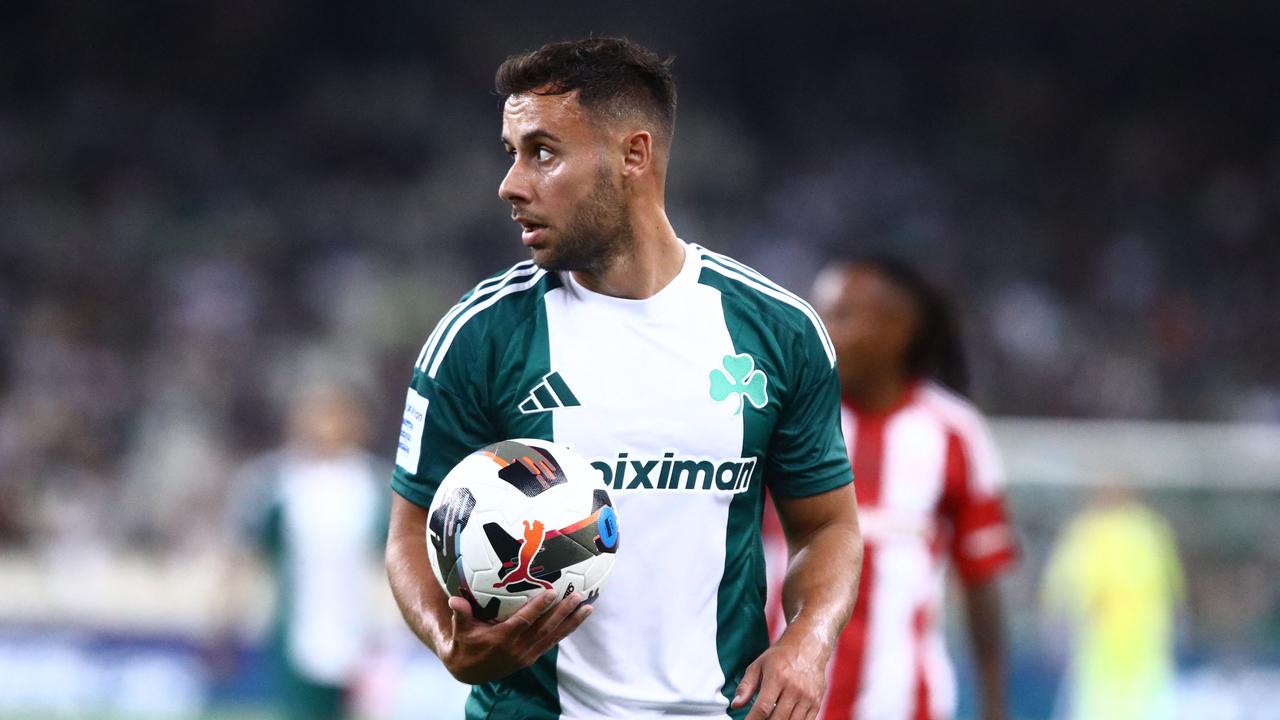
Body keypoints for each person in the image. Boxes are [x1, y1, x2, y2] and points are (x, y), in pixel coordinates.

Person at [384, 37, 863, 720]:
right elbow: (409, 526)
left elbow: (828, 526)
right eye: (511, 152)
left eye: (542, 152)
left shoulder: (777, 331)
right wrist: (448, 640)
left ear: (633, 155)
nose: (511, 184)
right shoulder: (479, 336)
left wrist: (809, 641)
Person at [763, 258, 1017, 720]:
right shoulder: (782, 421)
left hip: (905, 705)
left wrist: (996, 706)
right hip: (779, 703)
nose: (824, 331)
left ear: (897, 330)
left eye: (841, 315)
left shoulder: (955, 434)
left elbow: (982, 583)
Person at [224, 384, 395, 720]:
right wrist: (227, 619)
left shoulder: (376, 484)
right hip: (295, 634)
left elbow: (395, 557)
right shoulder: (277, 481)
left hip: (363, 632)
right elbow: (246, 552)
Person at [1041, 484, 1184, 720]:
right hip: (1100, 647)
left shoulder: (1149, 530)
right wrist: (1057, 627)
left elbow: (1172, 584)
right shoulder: (1087, 531)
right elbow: (1060, 585)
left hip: (1144, 648)